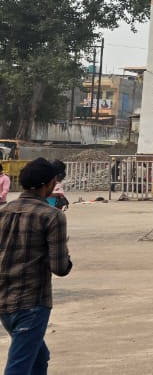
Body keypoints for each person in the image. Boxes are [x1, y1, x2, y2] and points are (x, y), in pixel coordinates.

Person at [0, 158, 73, 374]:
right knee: (19, 366)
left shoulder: (3, 213)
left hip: (4, 299)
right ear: (48, 184)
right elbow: (60, 267)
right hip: (32, 301)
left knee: (40, 357)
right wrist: (66, 257)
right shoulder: (51, 216)